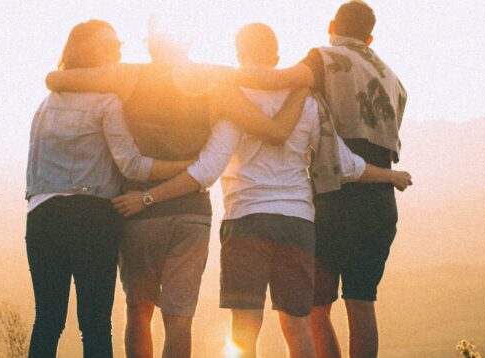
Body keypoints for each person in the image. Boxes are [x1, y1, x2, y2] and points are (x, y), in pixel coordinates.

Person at [111, 23, 411, 358]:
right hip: (297, 223)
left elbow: (207, 170)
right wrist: (388, 175)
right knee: (297, 327)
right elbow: (342, 162)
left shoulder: (233, 101)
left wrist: (149, 197)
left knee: (244, 330)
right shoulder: (307, 101)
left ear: (238, 53)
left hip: (245, 222)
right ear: (277, 56)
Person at [44, 19, 309, 358]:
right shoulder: (213, 81)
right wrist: (304, 83)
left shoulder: (128, 76)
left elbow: (56, 79)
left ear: (151, 45)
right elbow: (273, 129)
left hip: (137, 213)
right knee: (179, 320)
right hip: (191, 214)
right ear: (187, 43)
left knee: (139, 313)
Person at [222, 2, 409, 357]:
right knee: (362, 303)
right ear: (370, 37)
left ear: (331, 26)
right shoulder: (392, 77)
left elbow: (276, 80)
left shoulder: (325, 58)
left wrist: (213, 76)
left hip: (335, 194)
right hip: (381, 196)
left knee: (313, 310)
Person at [25, 19, 196, 357]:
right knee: (95, 324)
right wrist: (185, 167)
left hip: (41, 216)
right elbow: (131, 165)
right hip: (92, 217)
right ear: (94, 53)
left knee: (47, 319)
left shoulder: (47, 104)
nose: (119, 49)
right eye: (112, 45)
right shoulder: (106, 102)